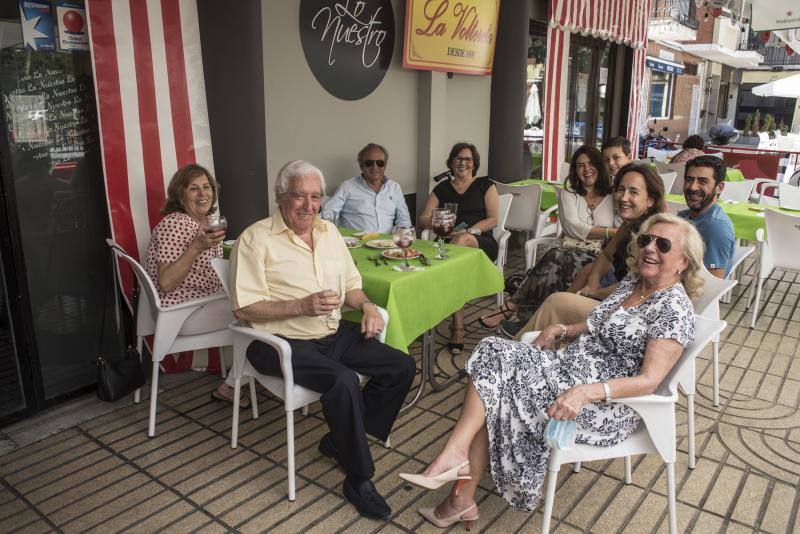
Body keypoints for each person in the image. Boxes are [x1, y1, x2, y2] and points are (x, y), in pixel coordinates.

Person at [399, 213, 703, 526]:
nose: (650, 248)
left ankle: (458, 486)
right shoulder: (635, 283)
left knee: (497, 383)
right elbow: (599, 323)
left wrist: (587, 392)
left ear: (683, 262)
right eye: (646, 240)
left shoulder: (674, 310)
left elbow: (649, 381)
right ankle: (458, 468)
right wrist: (562, 329)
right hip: (568, 370)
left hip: (604, 405)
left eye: (663, 244)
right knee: (493, 355)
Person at [230, 160, 415, 521]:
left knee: (400, 365)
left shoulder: (330, 232)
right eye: (299, 196)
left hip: (331, 334)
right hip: (278, 343)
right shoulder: (255, 239)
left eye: (315, 197)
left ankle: (342, 440)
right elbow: (243, 307)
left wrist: (368, 307)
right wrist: (300, 305)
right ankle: (358, 477)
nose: (309, 205)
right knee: (343, 381)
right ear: (281, 197)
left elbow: (351, 286)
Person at [514, 163, 666, 337]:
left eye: (633, 192)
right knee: (586, 272)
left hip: (630, 316)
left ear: (650, 200)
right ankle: (540, 335)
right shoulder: (630, 224)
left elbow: (634, 287)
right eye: (620, 189)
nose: (623, 198)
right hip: (618, 299)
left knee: (557, 302)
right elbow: (607, 255)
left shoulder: (651, 236)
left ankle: (526, 340)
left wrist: (593, 292)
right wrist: (593, 281)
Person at [478, 145, 617, 333]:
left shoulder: (614, 195)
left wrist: (600, 232)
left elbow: (620, 227)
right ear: (575, 170)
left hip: (598, 255)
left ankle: (515, 309)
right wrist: (609, 231)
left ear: (600, 166)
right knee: (557, 261)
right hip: (567, 248)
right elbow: (572, 227)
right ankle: (531, 321)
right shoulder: (569, 192)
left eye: (591, 164)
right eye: (580, 165)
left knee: (556, 262)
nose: (586, 169)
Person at [144, 164, 245, 407]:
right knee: (256, 313)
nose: (202, 194)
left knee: (255, 306)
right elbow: (166, 282)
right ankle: (232, 386)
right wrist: (197, 247)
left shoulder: (205, 222)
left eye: (206, 187)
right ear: (180, 194)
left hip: (196, 304)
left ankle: (237, 381)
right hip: (182, 313)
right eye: (193, 189)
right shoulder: (176, 224)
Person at [418, 142, 499, 353]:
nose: (463, 163)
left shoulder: (485, 184)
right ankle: (458, 324)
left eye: (468, 159)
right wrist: (439, 222)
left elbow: (493, 220)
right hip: (447, 241)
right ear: (451, 163)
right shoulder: (442, 188)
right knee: (455, 267)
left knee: (461, 243)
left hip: (480, 241)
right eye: (458, 159)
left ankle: (456, 326)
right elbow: (423, 218)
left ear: (474, 164)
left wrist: (470, 231)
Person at [321, 143, 412, 233]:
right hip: (357, 243)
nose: (375, 167)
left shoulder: (394, 187)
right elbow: (328, 213)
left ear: (385, 165)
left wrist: (403, 237)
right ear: (361, 165)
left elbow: (403, 219)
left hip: (387, 243)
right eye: (369, 163)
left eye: (380, 163)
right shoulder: (347, 187)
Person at [678, 155, 735, 278]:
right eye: (689, 180)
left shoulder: (715, 227)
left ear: (719, 187)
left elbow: (712, 285)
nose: (693, 187)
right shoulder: (685, 216)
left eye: (702, 181)